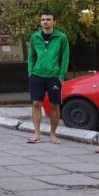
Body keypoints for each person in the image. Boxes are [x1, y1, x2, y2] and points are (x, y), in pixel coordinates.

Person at [26, 11, 70, 144]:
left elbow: (65, 57)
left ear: (54, 22)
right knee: (36, 104)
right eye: (43, 19)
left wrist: (62, 75)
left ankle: (53, 134)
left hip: (54, 76)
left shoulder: (61, 37)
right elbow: (31, 56)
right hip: (37, 74)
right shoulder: (35, 37)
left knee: (54, 105)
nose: (45, 22)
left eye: (48, 19)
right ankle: (36, 133)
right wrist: (30, 72)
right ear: (41, 22)